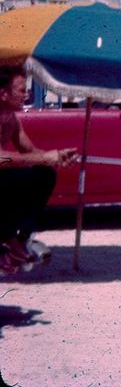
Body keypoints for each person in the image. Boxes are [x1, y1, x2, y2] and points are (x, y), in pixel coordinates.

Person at [0, 66, 78, 274]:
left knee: (44, 174)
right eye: (21, 90)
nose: (26, 95)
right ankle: (7, 240)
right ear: (3, 93)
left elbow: (31, 151)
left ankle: (22, 239)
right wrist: (44, 158)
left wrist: (58, 158)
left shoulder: (11, 118)